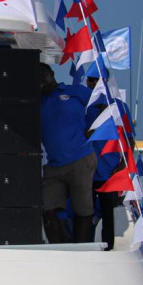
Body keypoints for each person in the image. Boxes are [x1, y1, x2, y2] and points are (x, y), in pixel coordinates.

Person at [40, 63, 97, 244]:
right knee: (47, 207)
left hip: (80, 159)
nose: (40, 79)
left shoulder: (75, 91)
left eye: (42, 74)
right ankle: (60, 247)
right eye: (35, 76)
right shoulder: (36, 101)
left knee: (83, 210)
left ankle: (82, 248)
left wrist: (92, 130)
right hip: (54, 164)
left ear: (52, 73)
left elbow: (103, 105)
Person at [86, 74, 132, 251]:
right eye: (90, 79)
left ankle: (108, 248)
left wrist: (122, 166)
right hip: (87, 170)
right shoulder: (85, 105)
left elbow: (129, 139)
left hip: (110, 170)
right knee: (85, 213)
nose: (92, 82)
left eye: (96, 79)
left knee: (108, 214)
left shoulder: (119, 107)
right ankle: (86, 246)